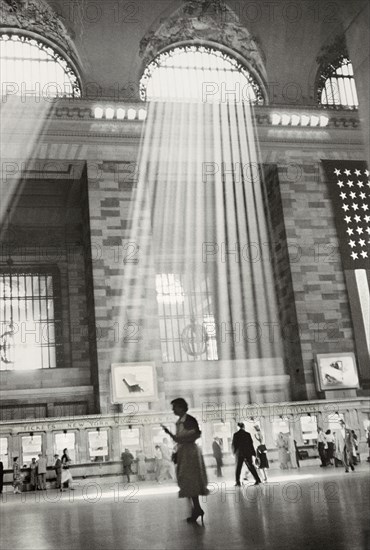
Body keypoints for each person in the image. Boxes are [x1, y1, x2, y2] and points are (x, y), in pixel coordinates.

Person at [161, 397, 208, 524]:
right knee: (186, 480)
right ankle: (196, 508)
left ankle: (196, 509)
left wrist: (176, 438)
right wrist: (172, 435)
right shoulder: (181, 421)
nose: (173, 410)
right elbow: (179, 439)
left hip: (189, 453)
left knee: (189, 480)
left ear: (181, 407)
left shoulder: (188, 420)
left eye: (174, 407)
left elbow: (194, 435)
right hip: (185, 452)